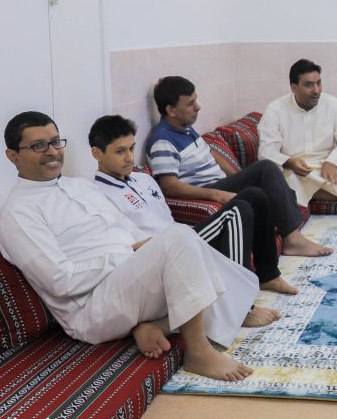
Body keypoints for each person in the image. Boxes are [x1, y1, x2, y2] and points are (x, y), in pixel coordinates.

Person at [0, 111, 275, 381]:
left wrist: (146, 246)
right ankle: (199, 352)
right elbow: (61, 281)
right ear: (13, 156)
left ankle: (174, 322)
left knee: (184, 236)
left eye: (56, 142)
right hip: (91, 307)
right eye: (38, 145)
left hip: (127, 281)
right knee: (178, 239)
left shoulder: (80, 186)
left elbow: (125, 227)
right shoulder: (19, 214)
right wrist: (129, 252)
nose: (52, 151)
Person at [90, 114, 297, 296]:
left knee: (254, 196)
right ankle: (241, 305)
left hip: (182, 238)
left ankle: (268, 275)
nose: (129, 158)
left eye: (132, 148)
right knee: (236, 211)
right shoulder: (98, 196)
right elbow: (125, 246)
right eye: (120, 151)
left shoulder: (143, 179)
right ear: (97, 153)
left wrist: (188, 232)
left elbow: (168, 219)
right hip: (161, 254)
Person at [145, 76, 330, 257]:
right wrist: (216, 194)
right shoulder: (162, 140)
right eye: (190, 103)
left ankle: (286, 229)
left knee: (276, 185)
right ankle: (292, 240)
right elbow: (169, 186)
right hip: (206, 189)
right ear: (171, 110)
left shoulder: (185, 128)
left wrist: (240, 177)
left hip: (220, 183)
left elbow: (211, 153)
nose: (198, 107)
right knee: (266, 168)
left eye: (196, 100)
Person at [257, 59, 337, 207]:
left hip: (328, 169)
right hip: (297, 172)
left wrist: (332, 162)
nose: (316, 90)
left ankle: (313, 195)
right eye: (309, 85)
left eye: (318, 83)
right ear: (294, 87)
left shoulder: (332, 103)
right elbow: (266, 152)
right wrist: (289, 162)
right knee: (281, 178)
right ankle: (335, 195)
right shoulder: (275, 109)